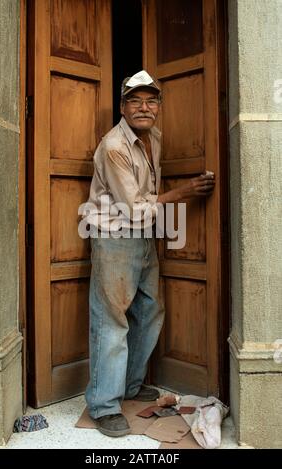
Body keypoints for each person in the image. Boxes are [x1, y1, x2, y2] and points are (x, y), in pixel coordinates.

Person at [80, 70, 215, 437]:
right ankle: (104, 405)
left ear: (158, 106)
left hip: (144, 235)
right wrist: (184, 191)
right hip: (114, 235)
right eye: (135, 100)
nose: (144, 107)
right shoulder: (113, 146)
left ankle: (129, 385)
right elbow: (134, 209)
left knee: (150, 309)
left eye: (151, 100)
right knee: (112, 320)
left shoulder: (153, 137)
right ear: (122, 107)